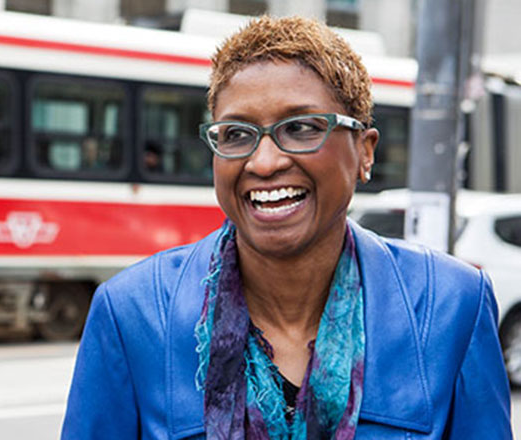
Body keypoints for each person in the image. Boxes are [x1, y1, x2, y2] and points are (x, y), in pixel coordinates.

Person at [61, 15, 511, 440]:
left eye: (300, 128)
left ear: (365, 152)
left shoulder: (450, 306)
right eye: (236, 134)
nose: (265, 161)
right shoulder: (134, 314)